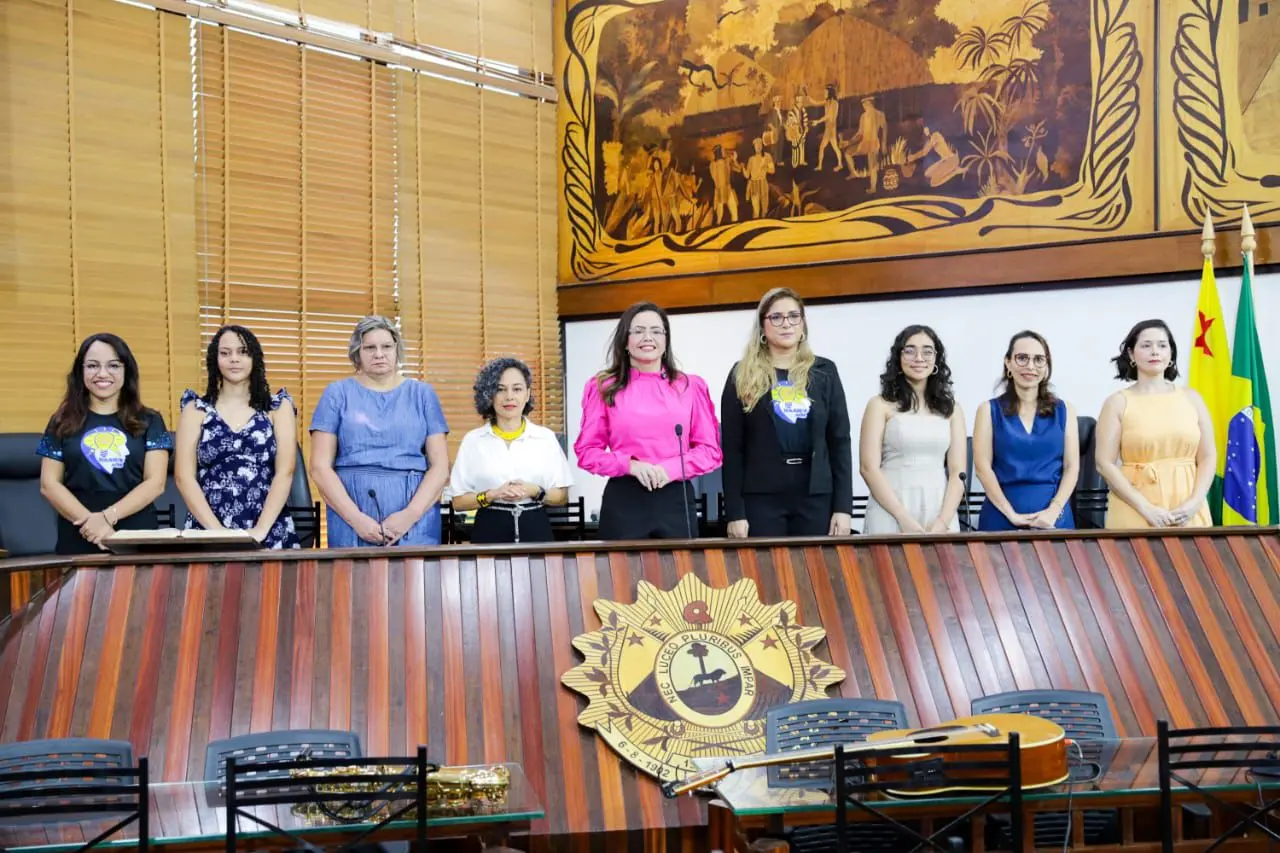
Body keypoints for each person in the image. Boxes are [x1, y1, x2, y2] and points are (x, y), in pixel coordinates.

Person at [574, 302, 722, 540]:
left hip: (675, 497)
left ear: (666, 340)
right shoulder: (603, 387)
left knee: (680, 566)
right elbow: (587, 452)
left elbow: (709, 451)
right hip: (624, 500)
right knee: (621, 566)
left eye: (656, 331)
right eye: (639, 331)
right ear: (625, 341)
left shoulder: (690, 386)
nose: (648, 337)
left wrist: (670, 469)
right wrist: (630, 466)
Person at [720, 288, 853, 537]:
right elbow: (732, 448)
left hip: (815, 494)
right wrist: (735, 512)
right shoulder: (742, 374)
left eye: (793, 316)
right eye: (776, 317)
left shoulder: (824, 372)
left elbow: (840, 442)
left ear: (802, 324)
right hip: (762, 496)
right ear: (763, 326)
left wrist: (843, 508)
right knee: (766, 564)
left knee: (815, 563)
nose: (786, 323)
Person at [309, 315, 450, 547]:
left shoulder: (423, 394)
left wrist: (410, 515)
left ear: (397, 350)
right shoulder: (336, 394)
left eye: (386, 346)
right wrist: (357, 520)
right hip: (351, 520)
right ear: (357, 352)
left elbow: (440, 467)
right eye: (369, 348)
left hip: (416, 520)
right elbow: (319, 467)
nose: (379, 354)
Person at [37, 333, 172, 554]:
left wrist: (107, 518)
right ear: (80, 372)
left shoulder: (150, 420)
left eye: (113, 366)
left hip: (135, 533)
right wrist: (92, 524)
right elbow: (49, 484)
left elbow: (155, 483)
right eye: (92, 366)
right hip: (79, 531)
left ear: (126, 371)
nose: (102, 373)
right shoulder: (61, 421)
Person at [174, 325, 300, 549]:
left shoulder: (278, 407)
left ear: (255, 358)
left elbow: (285, 471)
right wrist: (218, 533)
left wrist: (260, 530)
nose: (234, 359)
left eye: (243, 352)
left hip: (268, 526)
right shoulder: (195, 409)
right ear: (215, 360)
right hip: (208, 527)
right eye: (225, 353)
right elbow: (184, 477)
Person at [1095, 319, 1214, 529]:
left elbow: (1208, 456)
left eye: (1162, 345)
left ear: (1171, 353)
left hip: (1188, 510)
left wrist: (1195, 502)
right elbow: (1104, 463)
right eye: (1146, 345)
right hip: (1135, 510)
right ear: (1131, 354)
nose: (1155, 351)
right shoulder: (1117, 402)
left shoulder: (1192, 398)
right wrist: (1146, 508)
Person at [449, 357, 574, 544]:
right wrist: (493, 494)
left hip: (536, 527)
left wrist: (534, 490)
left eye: (517, 389)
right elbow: (458, 502)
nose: (509, 397)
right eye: (500, 389)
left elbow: (561, 496)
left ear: (527, 394)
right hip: (489, 528)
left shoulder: (545, 438)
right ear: (489, 395)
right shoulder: (473, 440)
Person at [859, 325, 966, 534]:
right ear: (898, 358)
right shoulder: (879, 405)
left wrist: (943, 522)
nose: (919, 358)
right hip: (891, 511)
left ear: (936, 359)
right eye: (910, 351)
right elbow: (868, 468)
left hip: (940, 511)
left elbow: (958, 472)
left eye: (927, 351)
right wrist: (902, 518)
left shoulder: (951, 409)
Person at [972, 331, 1078, 531]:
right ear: (1008, 363)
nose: (1030, 366)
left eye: (1038, 359)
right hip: (1001, 518)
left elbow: (1072, 467)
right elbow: (982, 469)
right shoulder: (987, 410)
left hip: (1054, 519)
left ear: (1046, 366)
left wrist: (1053, 511)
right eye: (1022, 358)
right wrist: (1011, 514)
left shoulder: (1065, 410)